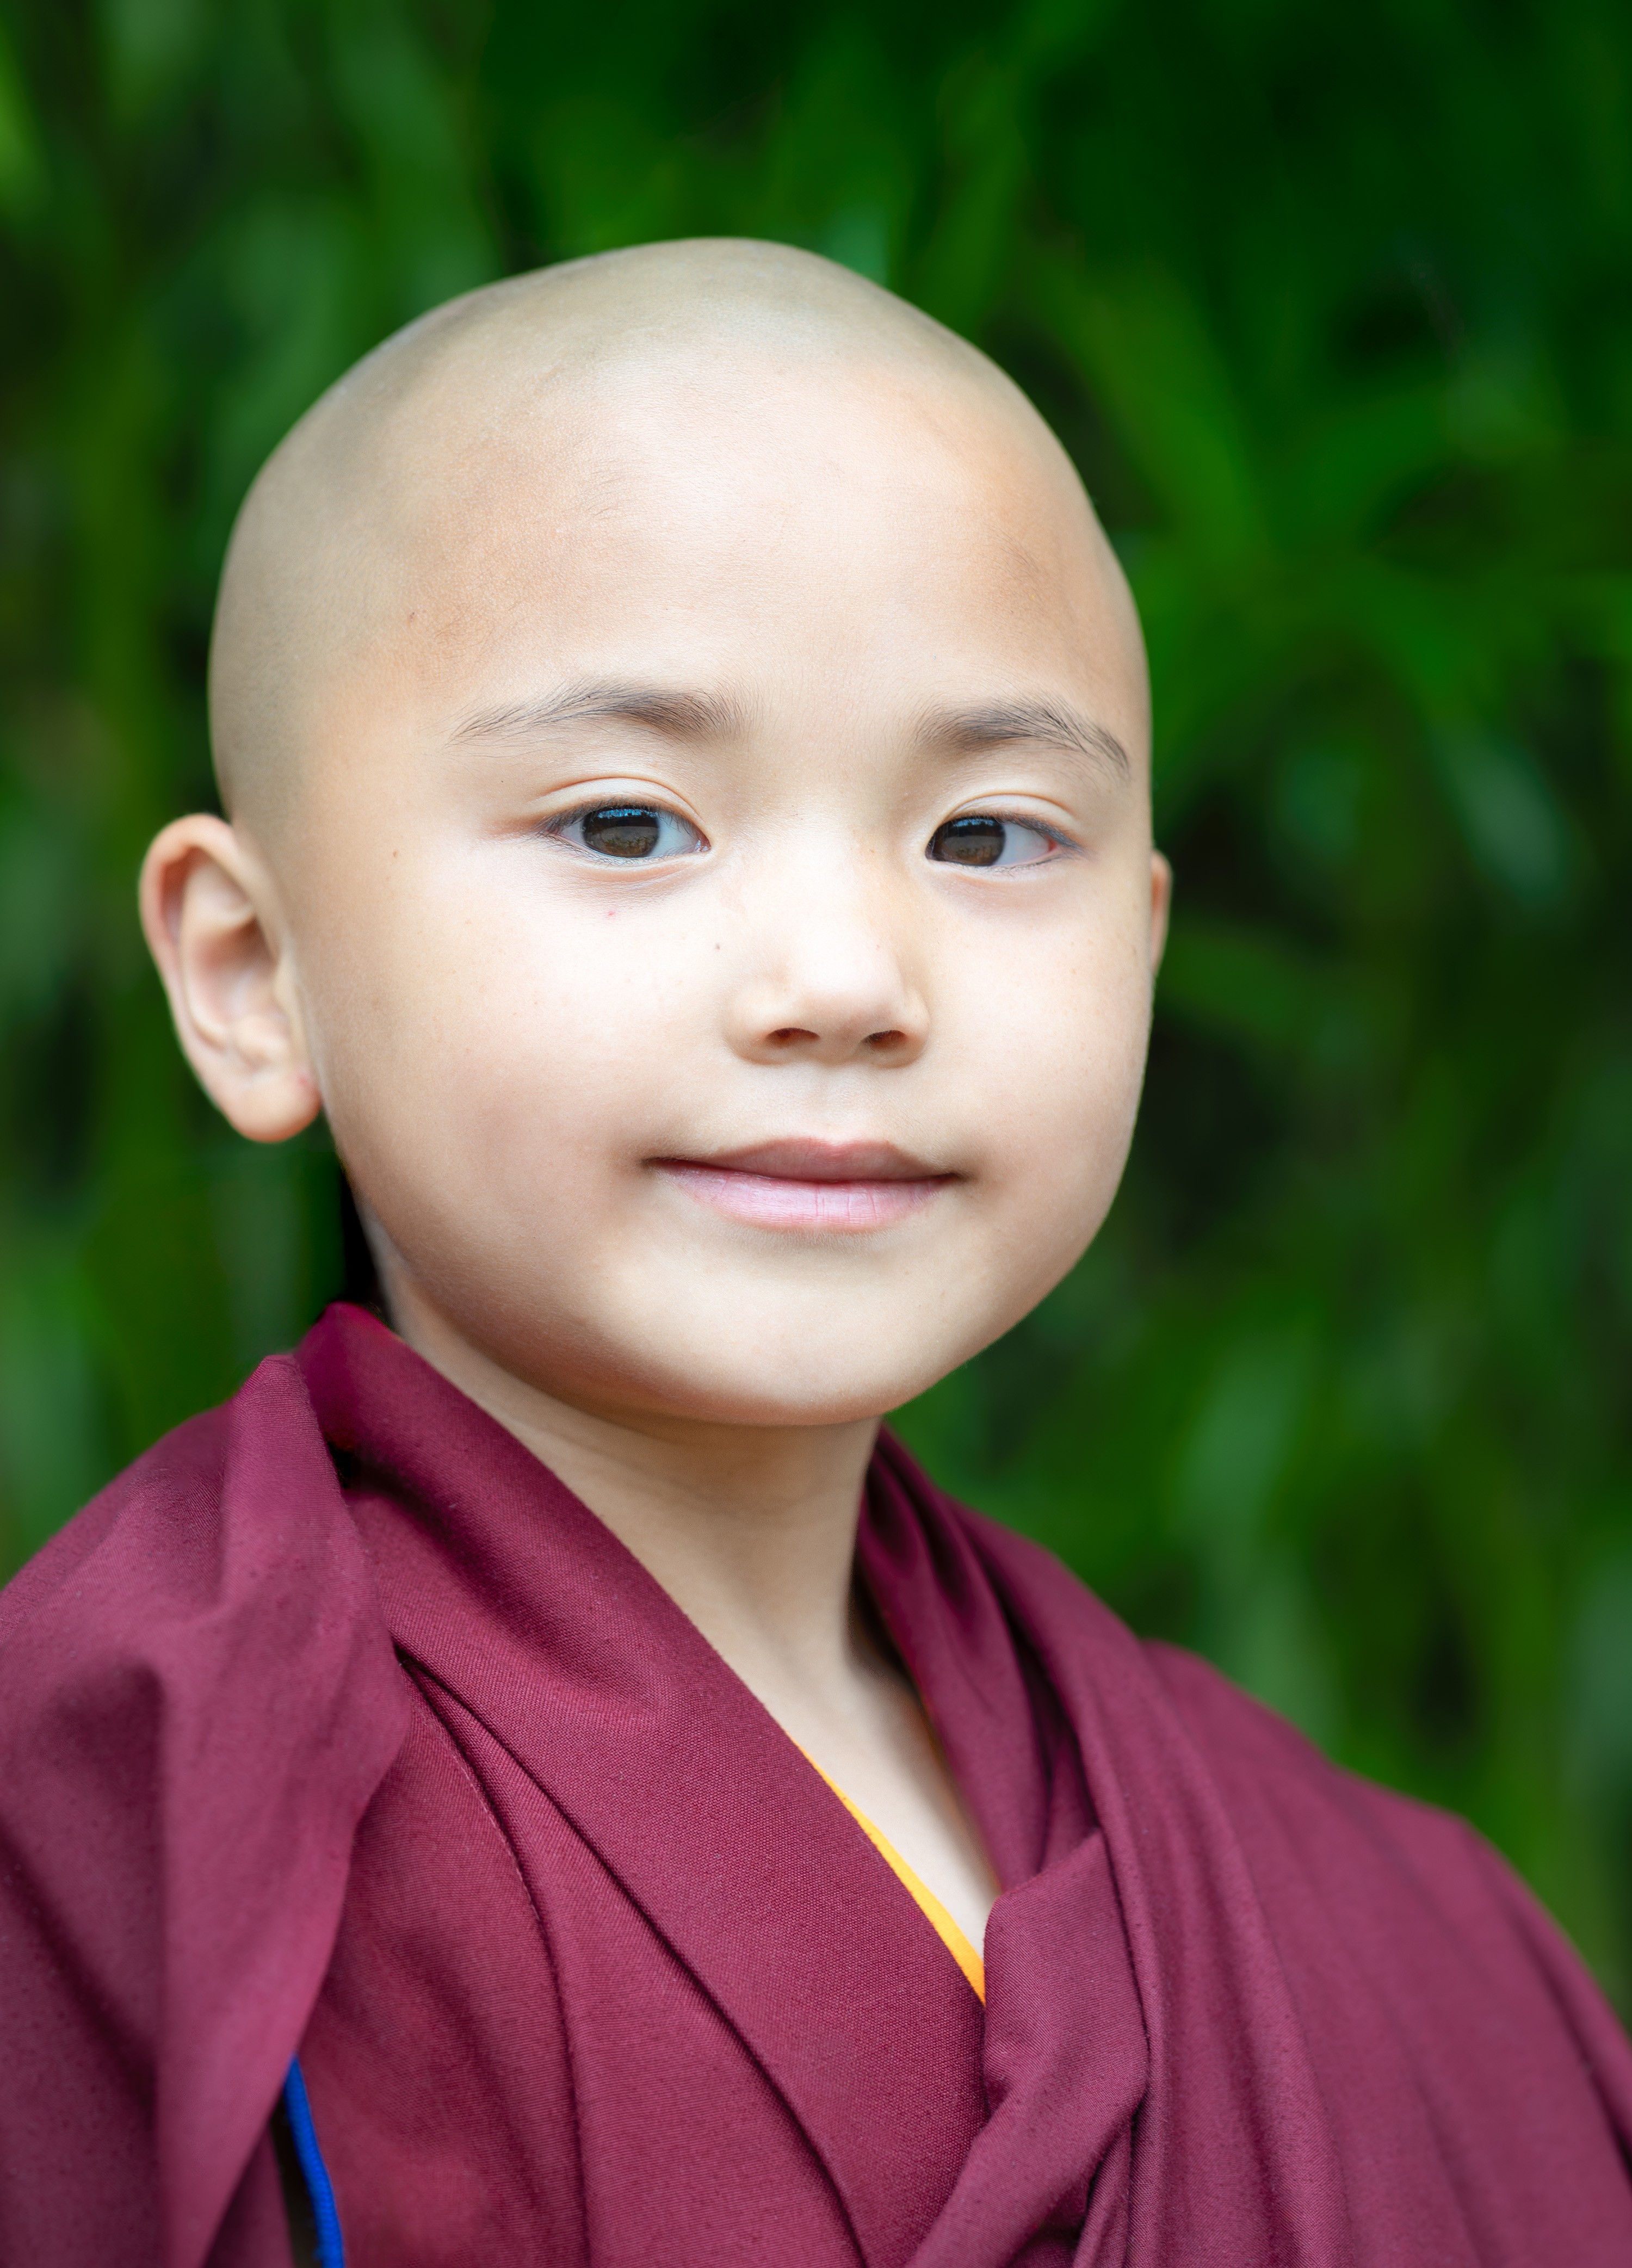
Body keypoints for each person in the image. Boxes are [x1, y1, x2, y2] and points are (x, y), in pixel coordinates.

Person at [1, 239, 1628, 2268]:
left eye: (989, 837)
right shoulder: (141, 1818)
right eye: (628, 824)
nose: (848, 980)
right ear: (255, 973)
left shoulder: (1390, 1924)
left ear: (1143, 946)